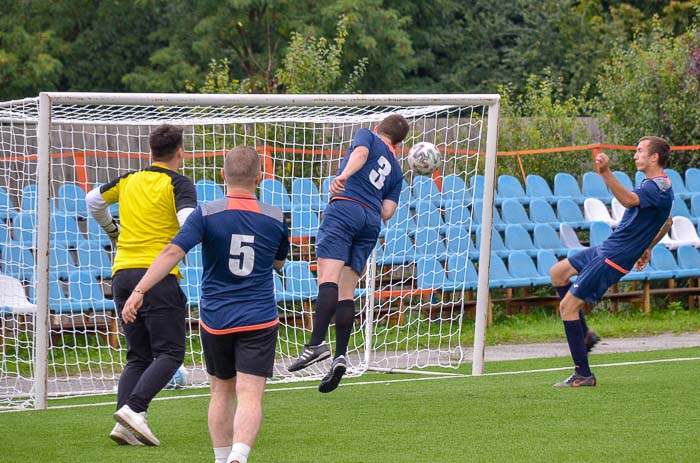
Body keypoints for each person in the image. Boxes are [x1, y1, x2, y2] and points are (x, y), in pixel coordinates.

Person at [121, 146, 289, 463]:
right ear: (261, 178)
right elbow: (279, 263)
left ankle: (220, 457)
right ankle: (239, 456)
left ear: (222, 175)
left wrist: (140, 290)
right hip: (259, 317)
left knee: (221, 391)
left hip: (217, 318)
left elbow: (172, 252)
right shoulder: (276, 218)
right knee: (251, 394)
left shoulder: (206, 213)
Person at [86, 124, 197, 446]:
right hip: (157, 276)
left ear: (150, 152)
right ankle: (135, 409)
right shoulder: (178, 183)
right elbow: (188, 220)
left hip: (121, 275)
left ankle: (124, 423)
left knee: (138, 355)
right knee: (171, 352)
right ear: (180, 153)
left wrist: (112, 230)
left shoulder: (129, 179)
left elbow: (93, 199)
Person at [287, 114, 410, 393]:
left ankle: (316, 343)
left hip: (345, 209)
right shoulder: (398, 171)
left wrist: (344, 176)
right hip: (370, 222)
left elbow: (362, 152)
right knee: (347, 290)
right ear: (399, 144)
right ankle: (341, 354)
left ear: (379, 129)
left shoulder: (367, 135)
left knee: (327, 279)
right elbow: (387, 212)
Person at [549, 136, 674, 388]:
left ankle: (583, 374)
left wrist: (605, 173)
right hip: (608, 248)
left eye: (640, 151)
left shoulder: (656, 187)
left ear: (654, 157)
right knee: (558, 273)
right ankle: (584, 335)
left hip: (614, 257)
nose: (635, 155)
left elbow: (628, 200)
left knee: (568, 307)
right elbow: (668, 222)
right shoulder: (655, 184)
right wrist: (647, 247)